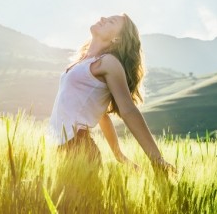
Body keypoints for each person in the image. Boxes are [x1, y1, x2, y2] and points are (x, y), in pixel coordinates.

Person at [49, 13, 175, 173]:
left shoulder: (108, 63)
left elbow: (128, 110)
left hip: (77, 149)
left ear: (117, 39)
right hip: (61, 148)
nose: (102, 18)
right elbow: (101, 114)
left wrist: (157, 159)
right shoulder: (83, 61)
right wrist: (118, 153)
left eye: (111, 22)